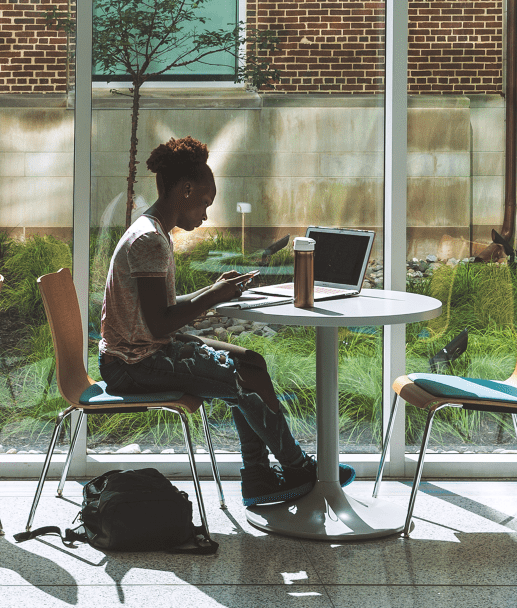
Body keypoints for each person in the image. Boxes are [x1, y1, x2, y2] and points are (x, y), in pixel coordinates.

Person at [96, 136, 353, 507]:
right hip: (134, 365)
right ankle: (292, 469)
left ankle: (262, 476)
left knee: (251, 361)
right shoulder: (150, 240)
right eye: (204, 202)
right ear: (185, 190)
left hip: (142, 354)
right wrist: (214, 296)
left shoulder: (152, 232)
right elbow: (158, 325)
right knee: (243, 378)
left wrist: (212, 289)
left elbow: (158, 309)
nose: (205, 215)